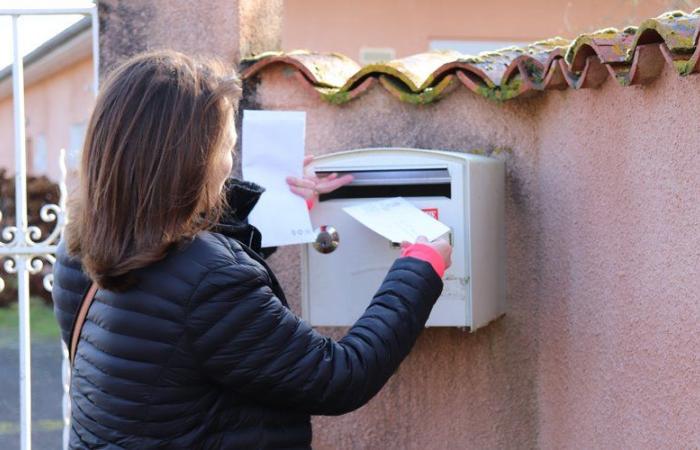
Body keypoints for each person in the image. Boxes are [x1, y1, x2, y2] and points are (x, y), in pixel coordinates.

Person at [52, 50, 452, 449]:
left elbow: (187, 309)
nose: (229, 162)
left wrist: (287, 209)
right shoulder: (211, 282)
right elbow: (339, 376)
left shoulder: (78, 251)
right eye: (226, 146)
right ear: (194, 161)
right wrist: (419, 268)